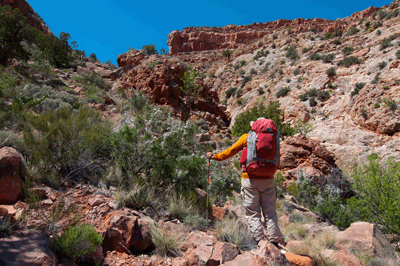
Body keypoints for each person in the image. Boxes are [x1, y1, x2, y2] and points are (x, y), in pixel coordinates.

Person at [206, 118, 283, 246]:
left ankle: (261, 243)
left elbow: (230, 152)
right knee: (270, 213)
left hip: (250, 179)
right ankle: (274, 243)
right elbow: (277, 160)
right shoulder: (274, 138)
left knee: (253, 213)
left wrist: (214, 156)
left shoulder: (247, 137)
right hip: (269, 179)